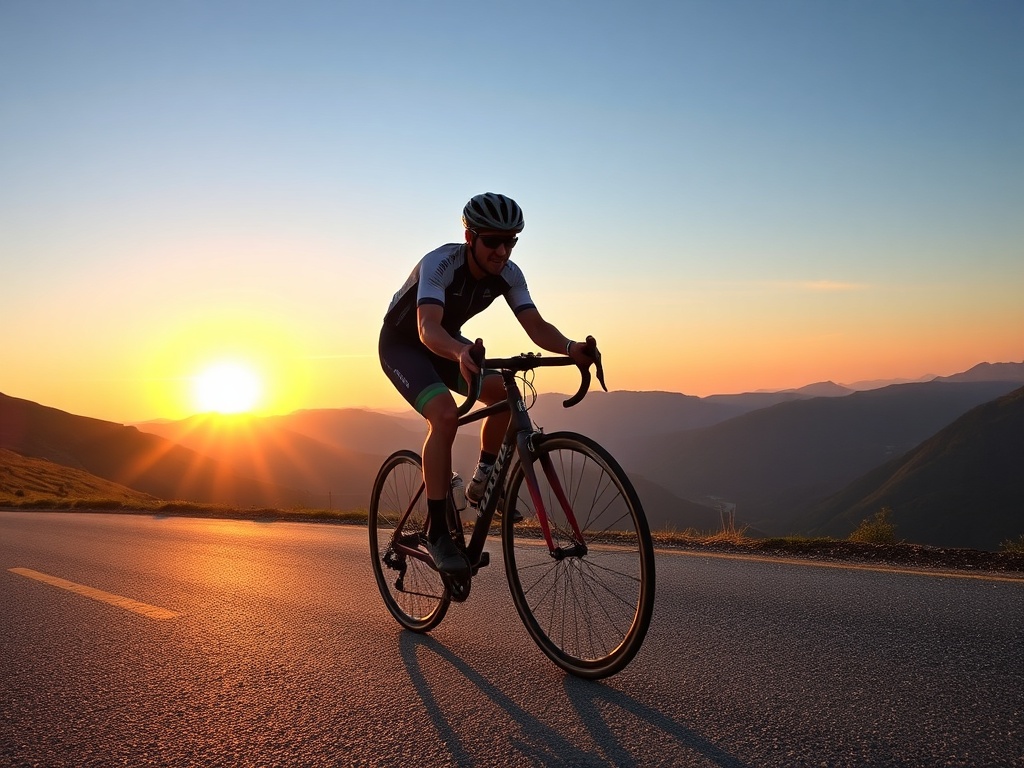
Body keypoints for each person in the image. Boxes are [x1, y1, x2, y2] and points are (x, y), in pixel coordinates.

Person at [378, 192, 600, 573]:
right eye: (493, 241)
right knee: (444, 416)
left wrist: (571, 346)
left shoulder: (509, 274)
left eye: (511, 241)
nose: (502, 250)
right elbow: (427, 328)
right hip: (405, 345)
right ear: (470, 238)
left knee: (506, 395)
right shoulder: (441, 263)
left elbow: (536, 326)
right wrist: (458, 353)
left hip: (448, 343)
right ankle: (438, 535)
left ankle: (482, 483)